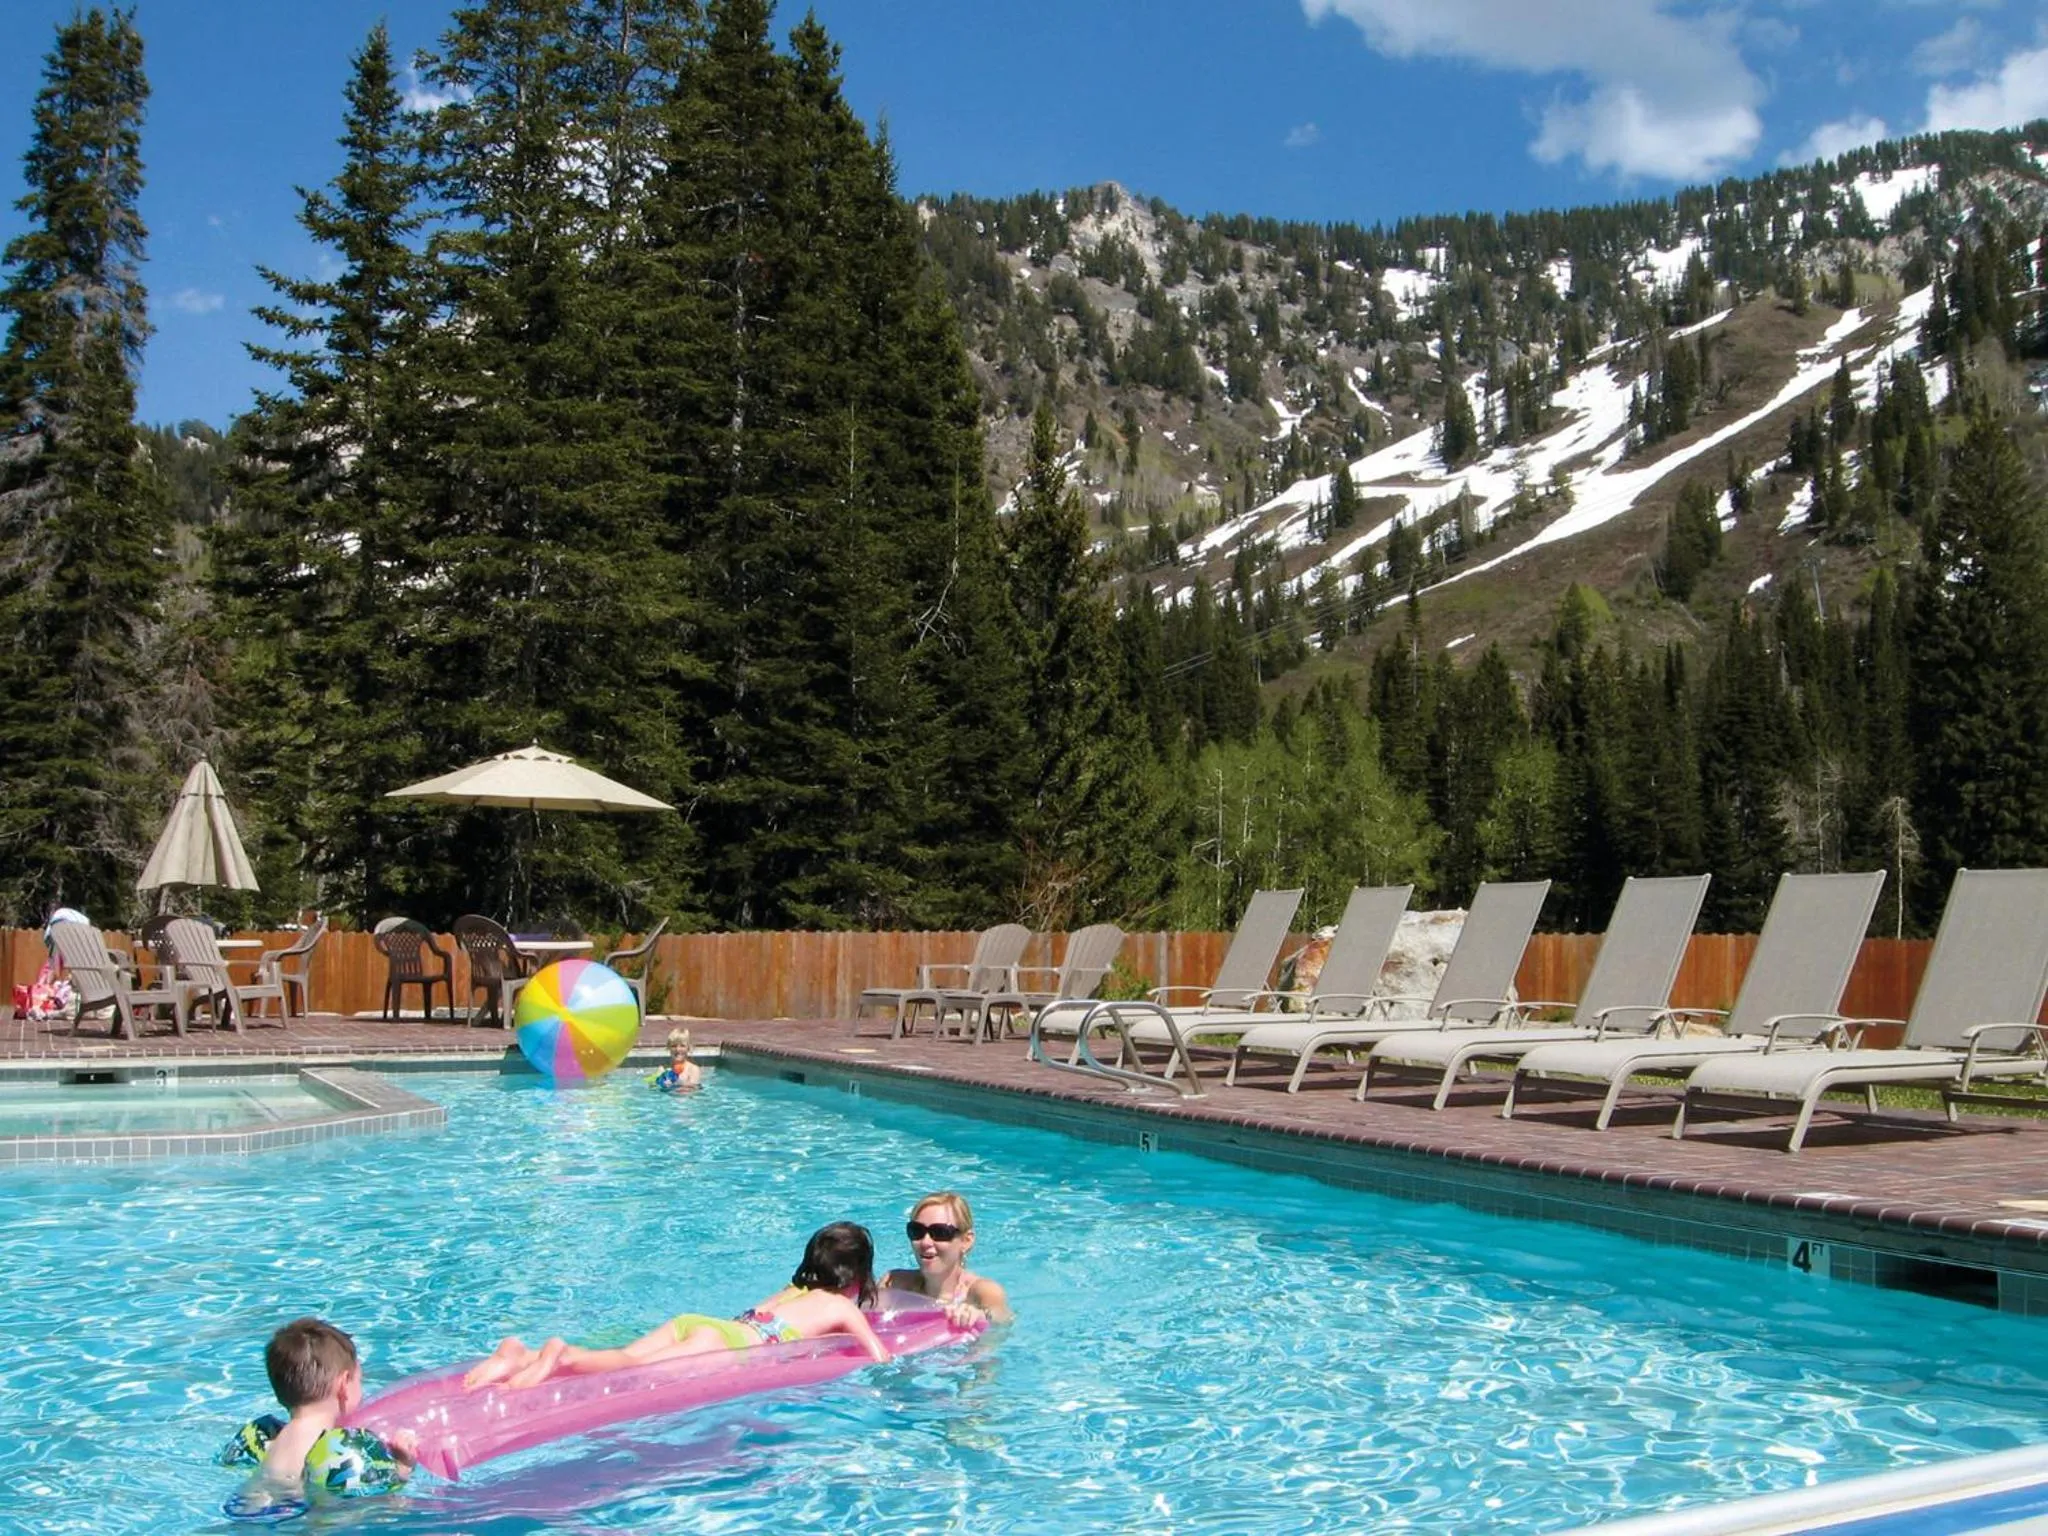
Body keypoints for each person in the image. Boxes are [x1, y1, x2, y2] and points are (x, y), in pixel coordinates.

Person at [464, 1222, 891, 1391]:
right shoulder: (844, 1309)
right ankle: (562, 1356)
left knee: (630, 1354)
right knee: (631, 1370)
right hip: (725, 1343)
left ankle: (521, 1355)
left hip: (704, 1324)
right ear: (856, 1276)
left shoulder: (792, 1288)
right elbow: (879, 1356)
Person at [218, 1318, 415, 1506]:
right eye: (359, 1380)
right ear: (344, 1384)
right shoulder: (342, 1450)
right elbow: (384, 1508)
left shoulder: (267, 1441)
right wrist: (403, 1467)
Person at [880, 1191, 1012, 1325]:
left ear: (966, 1241)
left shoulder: (982, 1293)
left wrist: (981, 1317)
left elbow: (1001, 1323)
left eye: (940, 1233)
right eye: (917, 1231)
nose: (925, 1242)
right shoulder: (894, 1285)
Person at [650, 1026, 701, 1092]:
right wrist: (659, 1083)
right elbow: (653, 1086)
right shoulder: (663, 1069)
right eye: (674, 1046)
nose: (677, 1049)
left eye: (682, 1046)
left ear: (688, 1048)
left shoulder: (693, 1069)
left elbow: (693, 1089)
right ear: (669, 1048)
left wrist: (675, 1085)